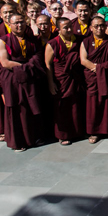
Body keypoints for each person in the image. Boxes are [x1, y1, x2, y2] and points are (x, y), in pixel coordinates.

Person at [0, 13, 45, 151]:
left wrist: (28, 67)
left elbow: (38, 56)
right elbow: (5, 62)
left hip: (29, 75)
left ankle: (32, 138)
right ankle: (18, 141)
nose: (19, 25)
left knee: (30, 107)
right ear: (9, 25)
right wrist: (24, 67)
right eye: (16, 23)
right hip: (12, 77)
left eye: (22, 22)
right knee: (16, 108)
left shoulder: (32, 40)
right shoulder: (3, 40)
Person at [45, 17, 85, 145]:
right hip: (61, 80)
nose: (69, 30)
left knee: (76, 106)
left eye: (70, 27)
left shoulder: (79, 40)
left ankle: (78, 132)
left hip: (76, 78)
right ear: (58, 29)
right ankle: (63, 135)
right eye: (65, 28)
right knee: (62, 108)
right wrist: (51, 83)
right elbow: (48, 64)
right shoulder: (53, 44)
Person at [79, 15, 108, 143]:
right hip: (93, 78)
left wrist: (100, 68)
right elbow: (83, 60)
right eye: (96, 26)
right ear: (91, 28)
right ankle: (94, 132)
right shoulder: (86, 42)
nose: (99, 28)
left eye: (102, 25)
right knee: (93, 105)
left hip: (107, 77)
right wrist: (97, 69)